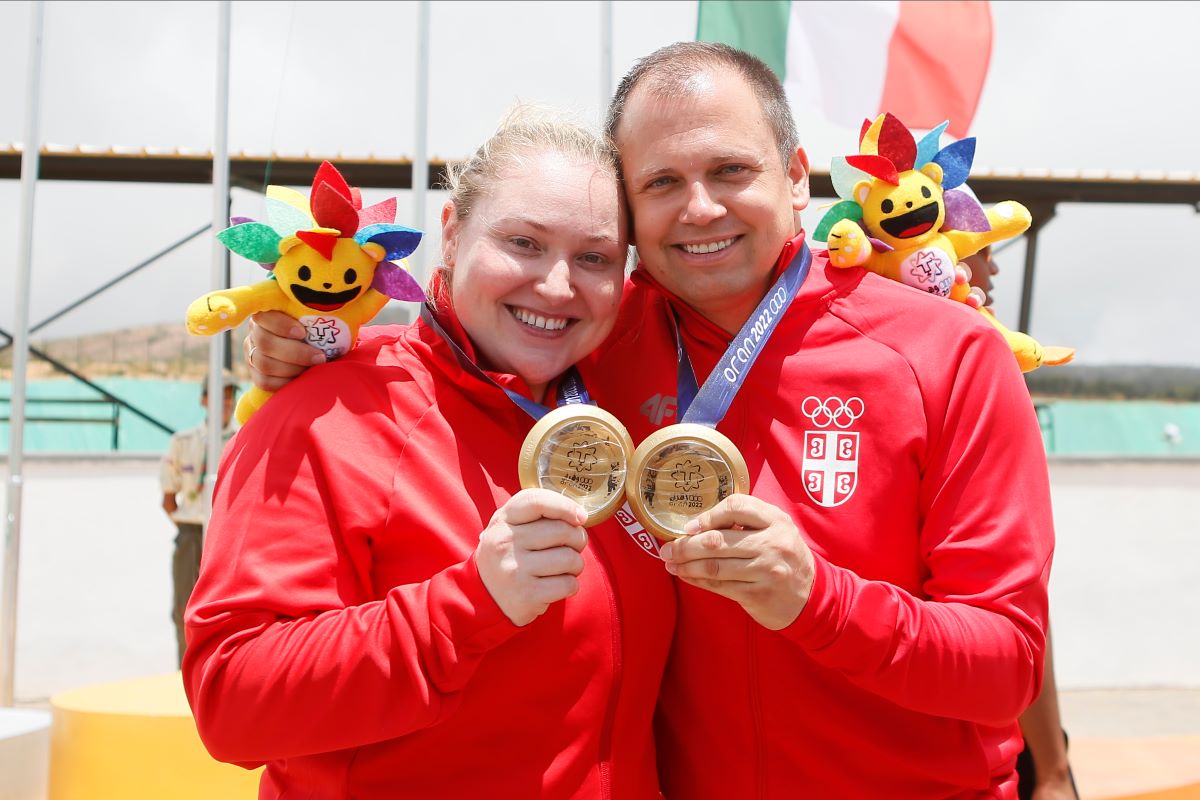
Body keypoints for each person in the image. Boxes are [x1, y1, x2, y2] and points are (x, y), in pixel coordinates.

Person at [247, 43, 1055, 797]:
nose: (700, 208)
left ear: (798, 175)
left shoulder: (946, 355)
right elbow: (468, 344)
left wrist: (823, 603)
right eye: (661, 183)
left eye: (730, 170)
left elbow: (1007, 665)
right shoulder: (593, 333)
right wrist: (314, 353)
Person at [182, 109, 674, 799]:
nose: (558, 285)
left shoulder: (617, 407)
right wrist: (468, 606)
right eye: (524, 242)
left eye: (593, 257)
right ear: (451, 234)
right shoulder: (327, 414)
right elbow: (232, 701)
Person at [964, 248, 1079, 800]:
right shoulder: (982, 368)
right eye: (984, 252)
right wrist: (1054, 770)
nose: (995, 269)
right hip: (989, 741)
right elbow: (1020, 605)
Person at [158, 371, 237, 667]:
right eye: (219, 395)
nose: (225, 403)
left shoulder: (244, 437)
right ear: (204, 399)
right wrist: (189, 525)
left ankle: (217, 677)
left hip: (226, 535)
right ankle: (184, 674)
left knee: (224, 610)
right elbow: (168, 497)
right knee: (183, 606)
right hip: (191, 532)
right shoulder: (184, 442)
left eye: (230, 396)